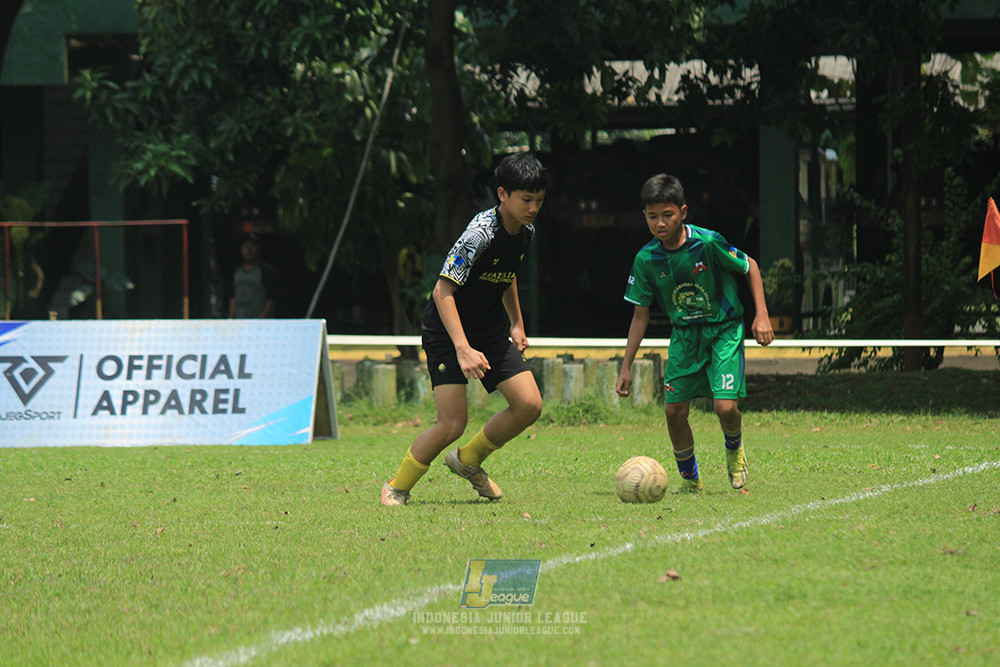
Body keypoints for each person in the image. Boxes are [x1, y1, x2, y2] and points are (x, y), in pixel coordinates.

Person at [381, 152, 548, 506]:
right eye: (526, 200)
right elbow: (442, 290)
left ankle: (468, 460)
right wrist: (461, 347)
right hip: (446, 330)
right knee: (452, 424)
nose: (533, 208)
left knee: (529, 404)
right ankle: (397, 486)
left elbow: (507, 274)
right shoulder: (479, 234)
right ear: (502, 195)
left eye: (539, 200)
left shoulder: (525, 232)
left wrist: (516, 322)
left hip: (488, 330)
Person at [615, 173, 774, 493]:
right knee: (674, 411)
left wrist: (762, 315)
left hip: (724, 331)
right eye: (652, 217)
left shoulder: (708, 242)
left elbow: (751, 266)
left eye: (667, 215)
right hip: (685, 336)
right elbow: (639, 316)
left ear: (683, 212)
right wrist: (626, 365)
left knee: (725, 407)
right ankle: (690, 480)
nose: (660, 223)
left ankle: (735, 452)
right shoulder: (646, 259)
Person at [228, 234, 277, 318]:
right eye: (245, 247)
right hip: (240, 322)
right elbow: (233, 297)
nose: (248, 250)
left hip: (259, 323)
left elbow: (271, 298)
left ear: (258, 249)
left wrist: (261, 320)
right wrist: (231, 319)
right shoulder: (237, 271)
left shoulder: (266, 271)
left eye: (252, 246)